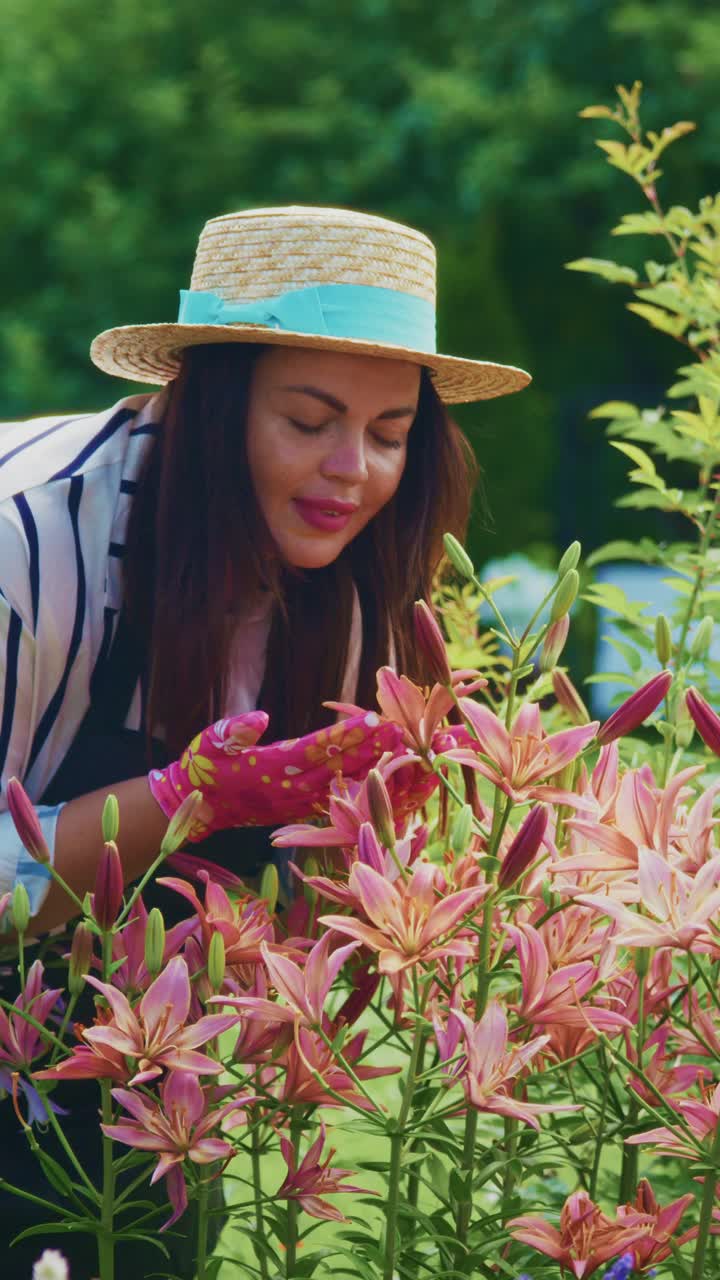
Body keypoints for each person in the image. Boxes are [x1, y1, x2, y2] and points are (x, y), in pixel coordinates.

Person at [0, 204, 530, 1273]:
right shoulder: (29, 541)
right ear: (214, 404)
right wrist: (194, 798)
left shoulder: (360, 579)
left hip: (142, 1057)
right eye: (310, 419)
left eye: (390, 435)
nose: (356, 472)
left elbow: (285, 911)